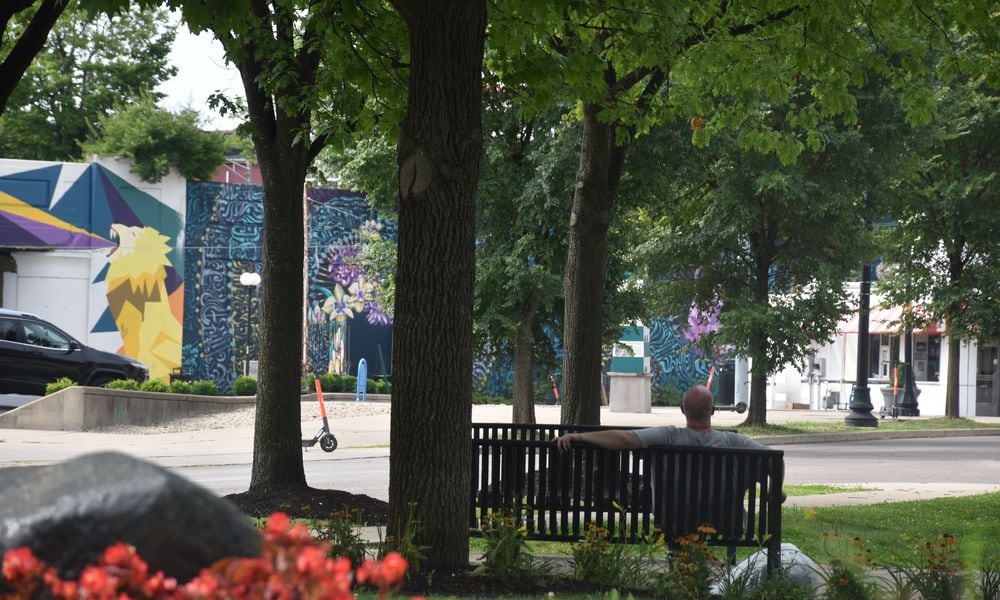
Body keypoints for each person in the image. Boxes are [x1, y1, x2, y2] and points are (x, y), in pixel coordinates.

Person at [553, 384, 767, 452]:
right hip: (726, 522)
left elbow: (627, 439)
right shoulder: (733, 441)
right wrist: (774, 491)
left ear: (682, 409)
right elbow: (773, 459)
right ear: (712, 412)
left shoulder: (669, 436)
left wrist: (579, 437)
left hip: (674, 520)